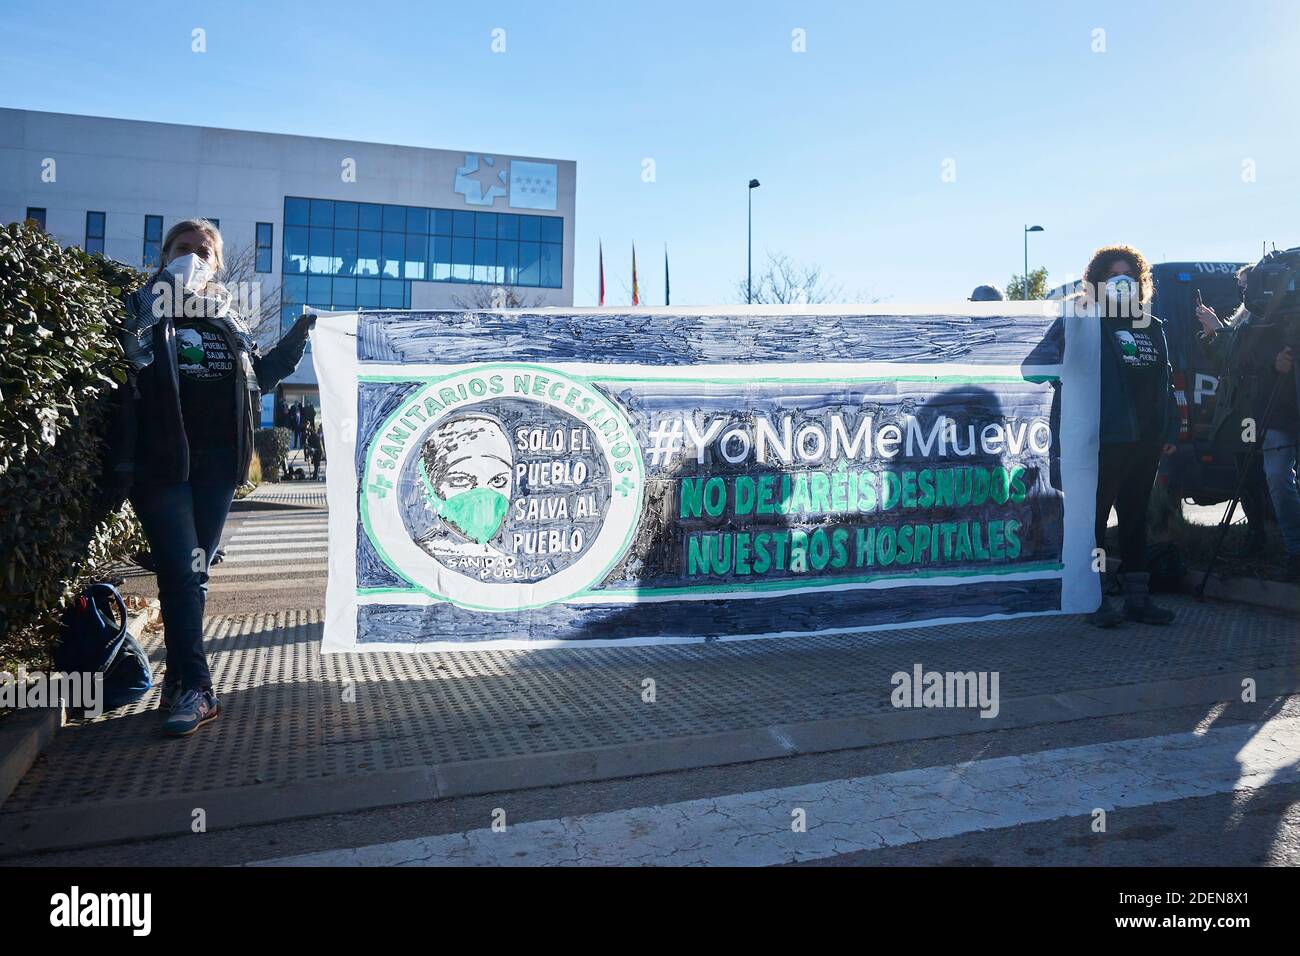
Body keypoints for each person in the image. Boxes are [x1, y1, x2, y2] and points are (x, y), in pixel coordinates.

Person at [110, 218, 316, 736]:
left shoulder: (229, 318)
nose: (194, 256)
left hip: (219, 466)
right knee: (181, 572)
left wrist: (296, 341)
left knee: (192, 575)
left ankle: (179, 685)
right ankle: (198, 690)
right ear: (164, 255)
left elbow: (257, 381)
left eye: (205, 251)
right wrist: (162, 297)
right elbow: (126, 373)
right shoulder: (140, 305)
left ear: (218, 266)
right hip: (162, 465)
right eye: (184, 248)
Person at [1084, 244, 1180, 627]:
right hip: (1107, 437)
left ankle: (1138, 600)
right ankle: (1094, 599)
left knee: (1135, 517)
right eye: (1112, 276)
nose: (1121, 283)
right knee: (1094, 520)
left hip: (1147, 439)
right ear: (1096, 283)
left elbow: (1166, 381)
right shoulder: (1087, 323)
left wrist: (1169, 428)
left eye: (1129, 276)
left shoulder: (1151, 327)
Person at [1197, 266, 1300, 578]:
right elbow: (1236, 359)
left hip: (1273, 410)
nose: (1246, 291)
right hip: (1269, 412)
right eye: (1242, 285)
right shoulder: (1248, 320)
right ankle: (1293, 547)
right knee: (1275, 478)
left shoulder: (1281, 312)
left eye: (1248, 284)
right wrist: (1215, 332)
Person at [415, 414, 515, 562]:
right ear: (431, 488)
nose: (482, 496)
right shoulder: (418, 559)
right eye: (460, 480)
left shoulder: (502, 560)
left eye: (498, 480)